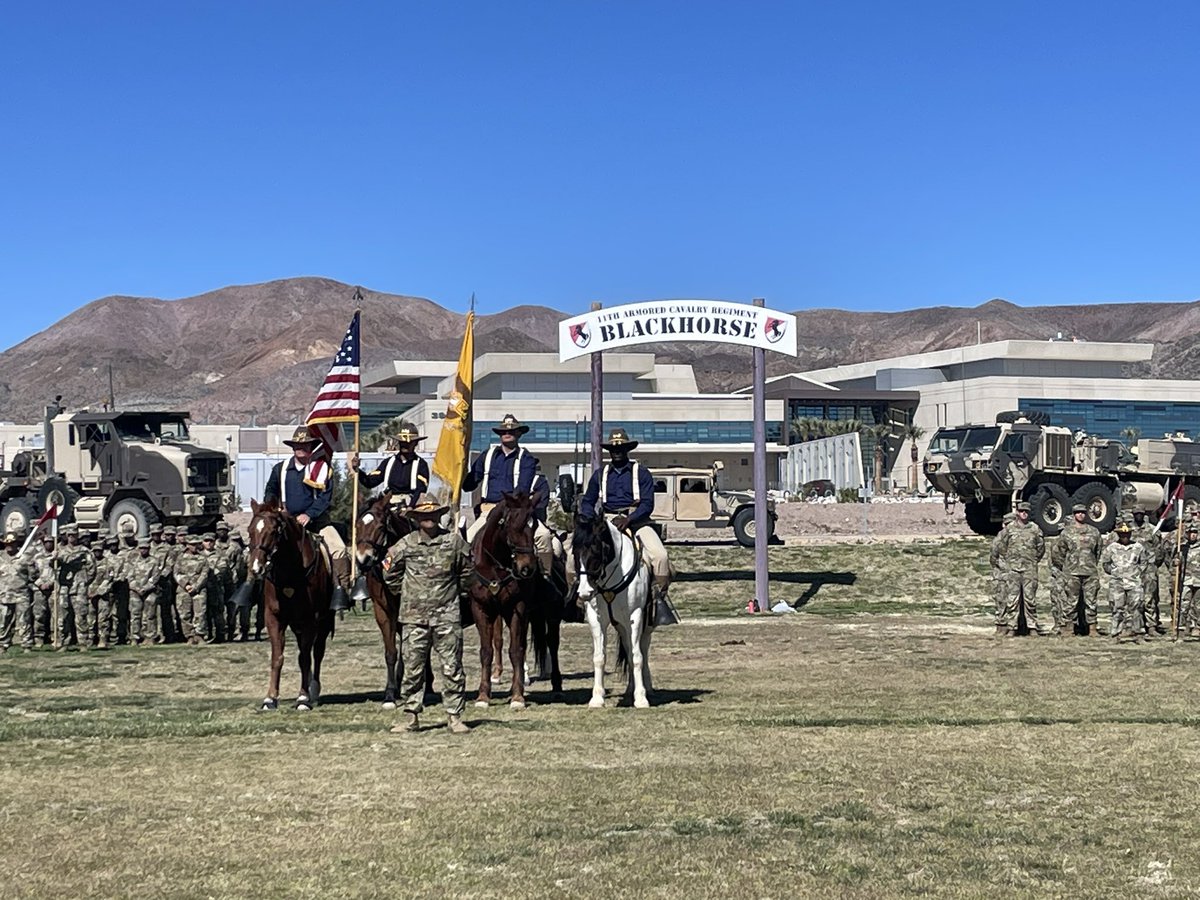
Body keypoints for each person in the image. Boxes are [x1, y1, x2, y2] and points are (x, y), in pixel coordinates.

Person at [382, 493, 470, 735]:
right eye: (423, 515)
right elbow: (389, 573)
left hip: (447, 617)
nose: (428, 519)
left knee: (452, 668)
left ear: (438, 516)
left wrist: (454, 595)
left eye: (432, 514)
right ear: (416, 518)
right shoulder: (405, 544)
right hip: (414, 619)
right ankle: (411, 717)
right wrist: (408, 593)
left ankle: (454, 717)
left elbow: (468, 572)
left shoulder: (453, 542)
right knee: (412, 669)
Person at [578, 427, 674, 622]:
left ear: (627, 449)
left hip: (636, 521)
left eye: (621, 448)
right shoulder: (599, 475)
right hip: (606, 522)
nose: (617, 451)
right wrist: (591, 519)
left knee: (660, 556)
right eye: (613, 449)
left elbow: (648, 504)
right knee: (576, 553)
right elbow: (587, 501)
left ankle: (658, 599)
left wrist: (629, 519)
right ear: (609, 451)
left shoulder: (642, 473)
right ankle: (576, 595)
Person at [263, 426, 351, 606]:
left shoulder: (322, 469)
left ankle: (341, 589)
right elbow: (271, 490)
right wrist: (272, 508)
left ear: (312, 448)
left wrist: (309, 515)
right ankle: (253, 587)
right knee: (262, 547)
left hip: (317, 523)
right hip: (286, 523)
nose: (300, 449)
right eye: (296, 445)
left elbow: (325, 498)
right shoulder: (280, 469)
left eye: (304, 445)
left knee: (339, 548)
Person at [462, 414, 553, 578]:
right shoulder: (487, 456)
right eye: (504, 431)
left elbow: (522, 490)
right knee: (467, 540)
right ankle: (469, 580)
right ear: (500, 434)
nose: (507, 433)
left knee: (544, 537)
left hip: (516, 512)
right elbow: (469, 485)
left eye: (512, 431)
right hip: (488, 512)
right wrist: (459, 470)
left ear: (519, 434)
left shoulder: (526, 459)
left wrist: (509, 506)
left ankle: (546, 577)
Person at [992, 501, 1045, 636]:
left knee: (1030, 599)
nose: (1024, 513)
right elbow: (1001, 546)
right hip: (1013, 569)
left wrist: (1032, 560)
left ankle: (1032, 627)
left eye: (1026, 511)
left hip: (1029, 569)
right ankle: (1012, 627)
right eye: (1022, 511)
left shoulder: (1035, 529)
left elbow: (1041, 548)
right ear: (1018, 513)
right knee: (1012, 599)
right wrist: (1011, 559)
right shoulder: (1010, 529)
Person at [349, 422, 430, 509]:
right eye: (402, 442)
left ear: (416, 443)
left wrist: (410, 507)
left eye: (408, 443)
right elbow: (370, 482)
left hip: (411, 504)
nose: (405, 445)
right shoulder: (388, 462)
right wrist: (357, 470)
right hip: (389, 504)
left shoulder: (421, 464)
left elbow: (420, 489)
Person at [1054, 502, 1103, 636]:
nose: (1080, 515)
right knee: (1071, 601)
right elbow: (1058, 553)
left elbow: (1098, 551)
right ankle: (1069, 628)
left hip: (1090, 572)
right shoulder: (1066, 532)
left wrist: (1091, 564)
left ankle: (1092, 628)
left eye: (1083, 512)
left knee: (1091, 601)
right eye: (1078, 512)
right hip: (1072, 572)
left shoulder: (1094, 532)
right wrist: (1066, 568)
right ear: (1074, 514)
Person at [1101, 520, 1147, 641]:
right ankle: (1116, 634)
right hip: (1117, 583)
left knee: (1137, 608)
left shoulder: (1138, 547)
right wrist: (1116, 573)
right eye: (1122, 534)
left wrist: (1136, 574)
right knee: (1117, 608)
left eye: (1127, 534)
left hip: (1134, 582)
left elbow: (1143, 563)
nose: (1125, 537)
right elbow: (1106, 564)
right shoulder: (1112, 548)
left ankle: (1138, 634)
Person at [56, 524, 96, 650]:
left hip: (79, 588)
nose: (71, 537)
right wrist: (53, 561)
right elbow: (53, 568)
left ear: (77, 536)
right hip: (64, 588)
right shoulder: (59, 551)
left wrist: (84, 581)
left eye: (74, 535)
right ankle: (64, 642)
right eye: (69, 535)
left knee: (81, 616)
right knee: (63, 617)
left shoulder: (84, 551)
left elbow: (92, 569)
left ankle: (83, 642)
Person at [1130, 510, 1165, 635]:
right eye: (1136, 513)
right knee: (1134, 598)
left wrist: (1154, 565)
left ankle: (1151, 626)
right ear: (1133, 515)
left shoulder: (1152, 530)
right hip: (1133, 570)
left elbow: (1160, 551)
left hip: (1149, 569)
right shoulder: (1127, 529)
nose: (1138, 515)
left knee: (1150, 598)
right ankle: (1134, 626)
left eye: (1141, 513)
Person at [0, 530, 35, 652]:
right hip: (4, 595)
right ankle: (3, 644)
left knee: (24, 620)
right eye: (7, 543)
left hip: (21, 594)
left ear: (17, 543)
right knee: (4, 621)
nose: (10, 546)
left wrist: (32, 568)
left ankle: (26, 645)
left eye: (13, 543)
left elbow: (33, 576)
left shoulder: (24, 557)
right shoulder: (0, 557)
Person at [174, 534, 211, 645]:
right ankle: (189, 636)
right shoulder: (180, 558)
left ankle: (199, 635)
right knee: (184, 614)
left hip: (198, 590)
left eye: (196, 544)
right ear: (187, 545)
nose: (195, 547)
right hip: (183, 590)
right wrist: (186, 585)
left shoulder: (202, 558)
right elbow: (176, 573)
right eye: (192, 545)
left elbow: (204, 574)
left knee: (200, 613)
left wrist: (196, 587)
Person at [126, 537, 164, 645]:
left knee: (150, 615)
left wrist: (145, 588)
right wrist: (137, 588)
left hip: (150, 591)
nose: (143, 550)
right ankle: (135, 637)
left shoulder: (154, 561)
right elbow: (130, 577)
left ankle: (150, 636)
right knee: (135, 615)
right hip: (135, 591)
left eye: (145, 548)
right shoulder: (133, 561)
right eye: (141, 548)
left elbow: (155, 578)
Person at [1168, 523, 1200, 638]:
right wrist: (1176, 562)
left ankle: (1196, 627)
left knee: (1198, 606)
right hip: (1186, 580)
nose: (1193, 535)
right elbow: (1173, 562)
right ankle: (1180, 628)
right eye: (1191, 533)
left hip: (1198, 580)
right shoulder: (1182, 548)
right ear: (1187, 534)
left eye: (1195, 533)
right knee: (1183, 605)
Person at [990, 512, 1015, 633]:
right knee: (1002, 600)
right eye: (1007, 524)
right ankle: (1001, 625)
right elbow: (993, 557)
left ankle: (1016, 625)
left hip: (1016, 573)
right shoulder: (999, 537)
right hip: (1002, 574)